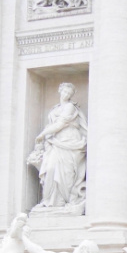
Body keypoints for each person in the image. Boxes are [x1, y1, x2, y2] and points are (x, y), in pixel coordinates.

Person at [27, 83, 87, 212]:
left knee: (66, 171)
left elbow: (61, 123)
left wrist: (43, 134)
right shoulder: (55, 109)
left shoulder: (70, 107)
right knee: (50, 168)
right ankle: (49, 201)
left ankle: (62, 201)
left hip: (69, 140)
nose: (66, 95)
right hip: (55, 142)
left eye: (69, 94)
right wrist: (45, 138)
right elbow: (52, 125)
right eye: (65, 92)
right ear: (60, 91)